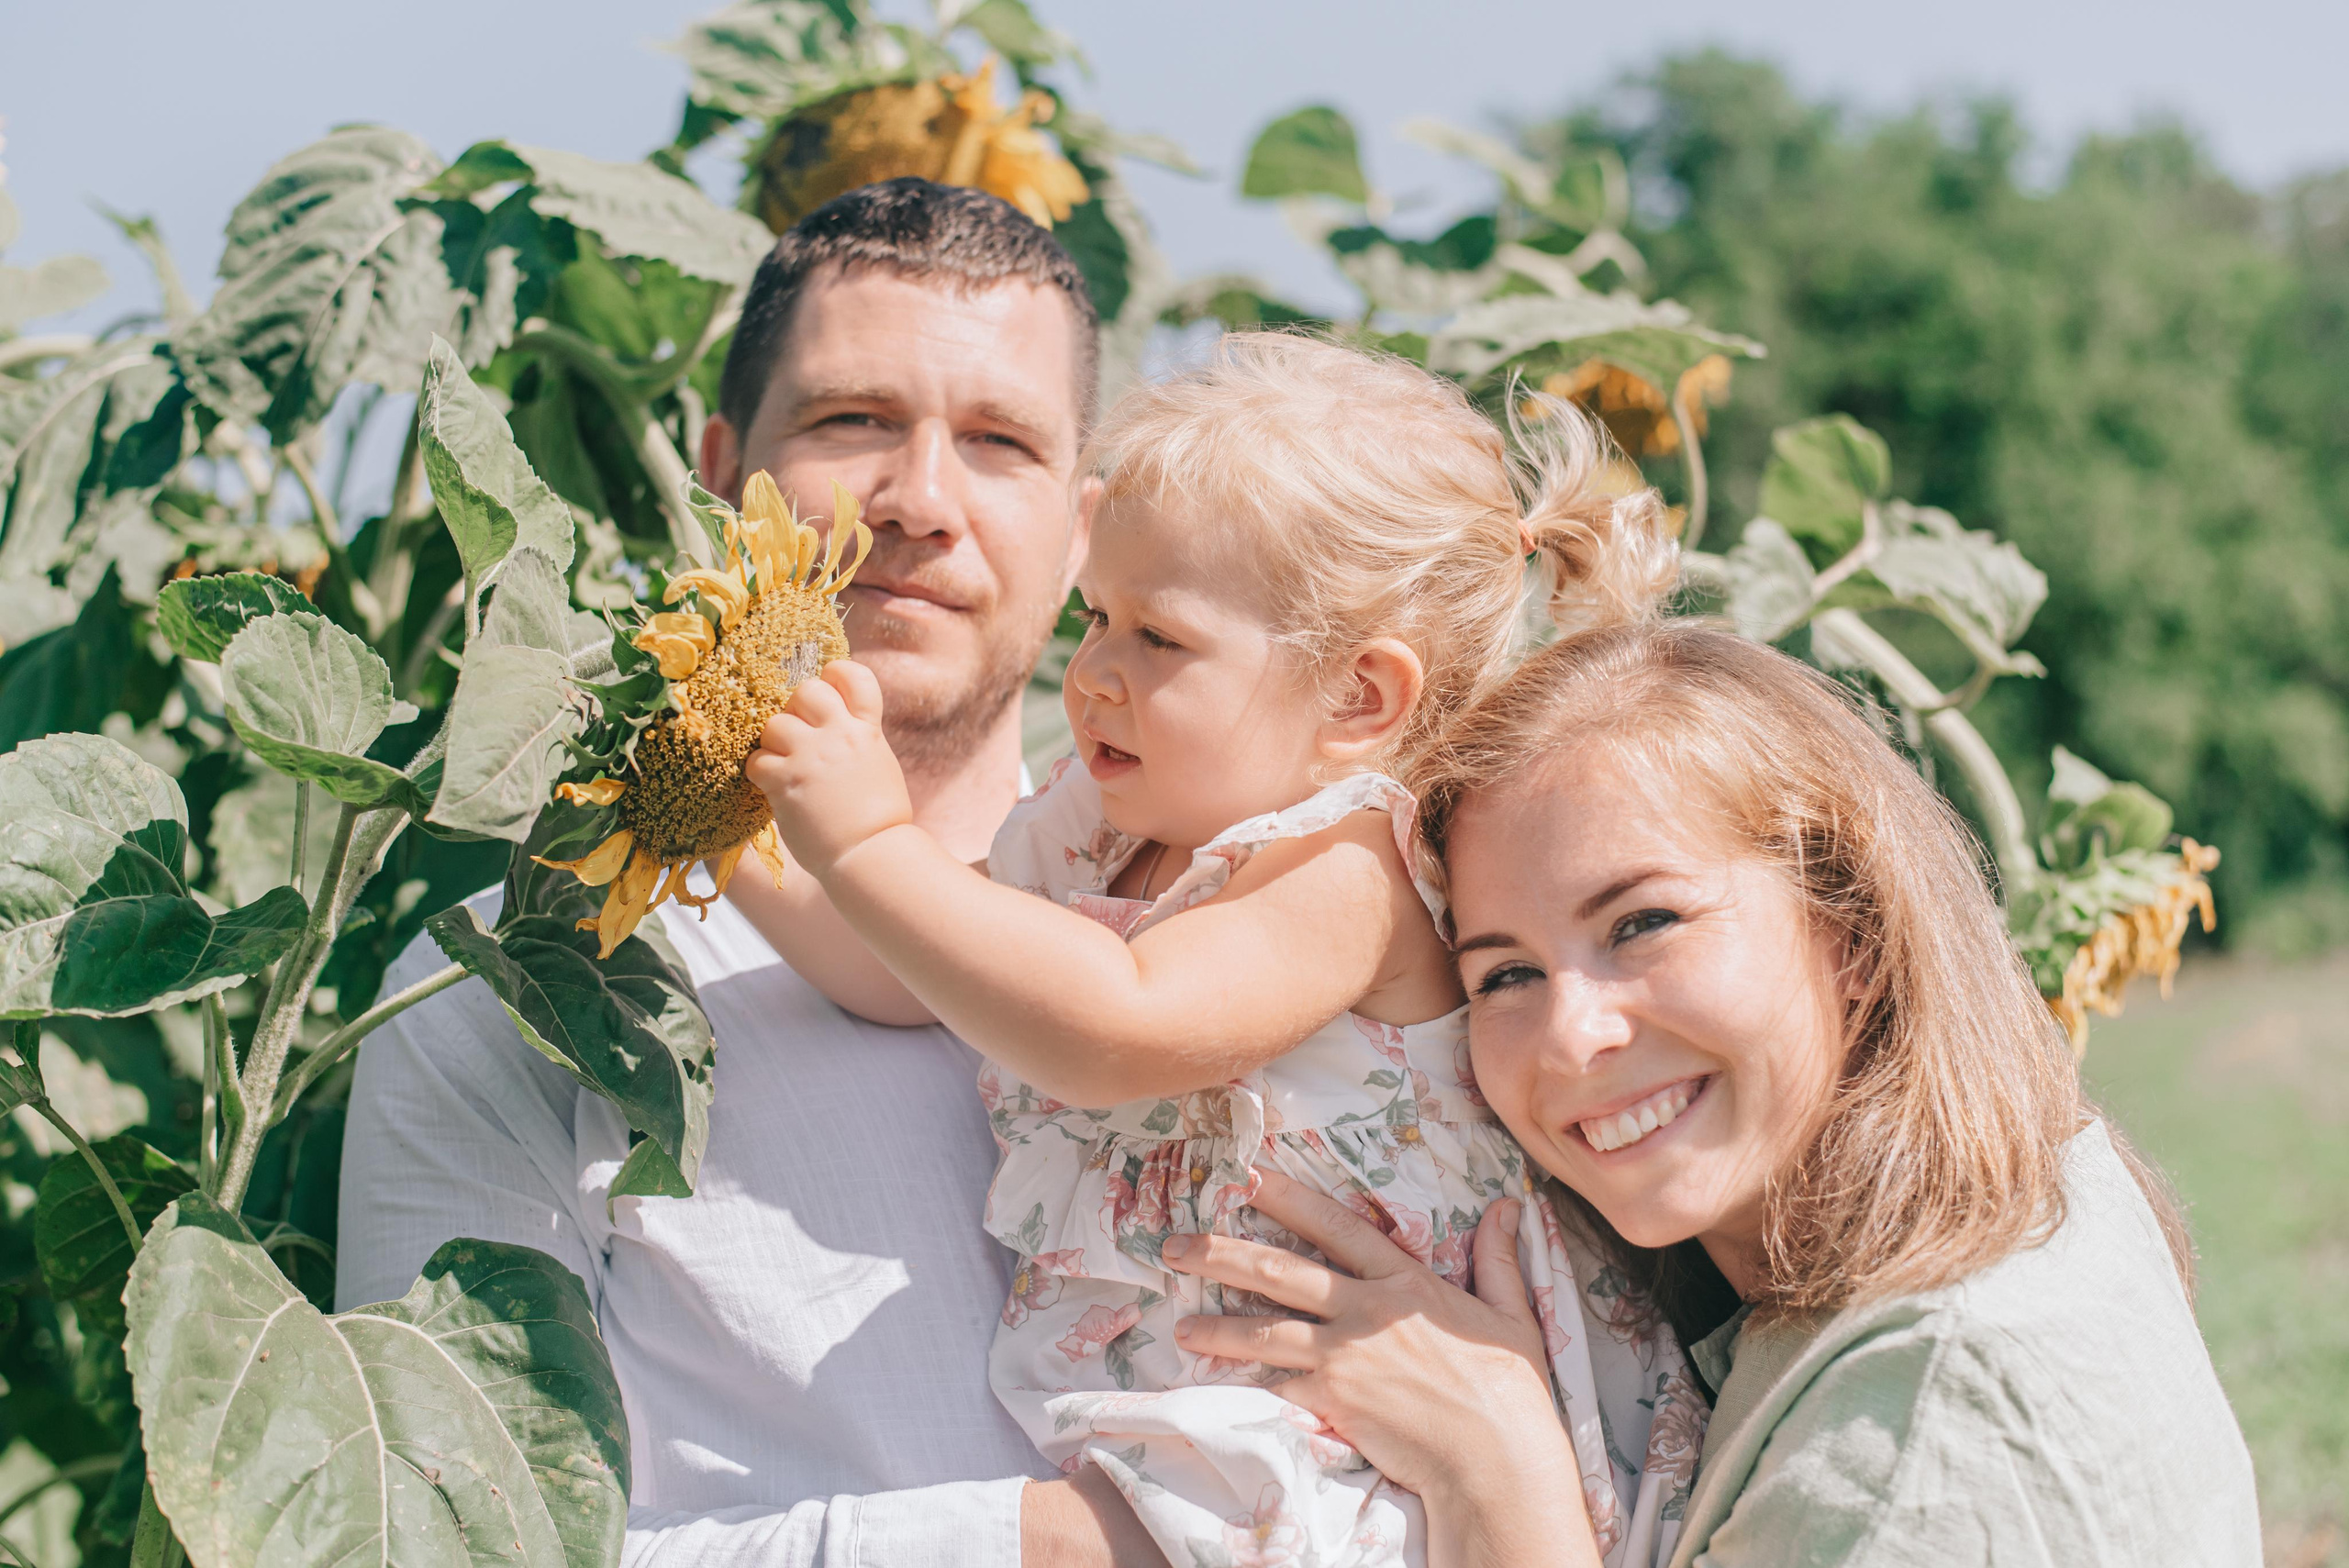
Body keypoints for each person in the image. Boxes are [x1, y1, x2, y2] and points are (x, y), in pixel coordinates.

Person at [745, 335, 1698, 1566]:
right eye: (1097, 618)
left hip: (1362, 1440)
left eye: (1161, 639)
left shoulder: (1351, 869)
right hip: (1209, 1419)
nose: (1091, 675)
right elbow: (904, 969)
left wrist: (873, 838)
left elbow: (1115, 1026)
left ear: (1361, 699)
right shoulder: (1094, 829)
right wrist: (733, 821)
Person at [336, 179, 1175, 1566]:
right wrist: (1034, 1547)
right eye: (854, 422)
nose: (921, 502)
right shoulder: (515, 980)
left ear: (1084, 528)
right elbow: (444, 1538)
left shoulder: (1206, 937)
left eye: (1000, 442)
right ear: (723, 472)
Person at [1156, 612, 2265, 1566]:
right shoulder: (2038, 1181)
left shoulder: (1922, 1417)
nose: (1571, 1033)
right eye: (1504, 974)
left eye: (1642, 922)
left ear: (1850, 930)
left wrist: (1497, 1478)